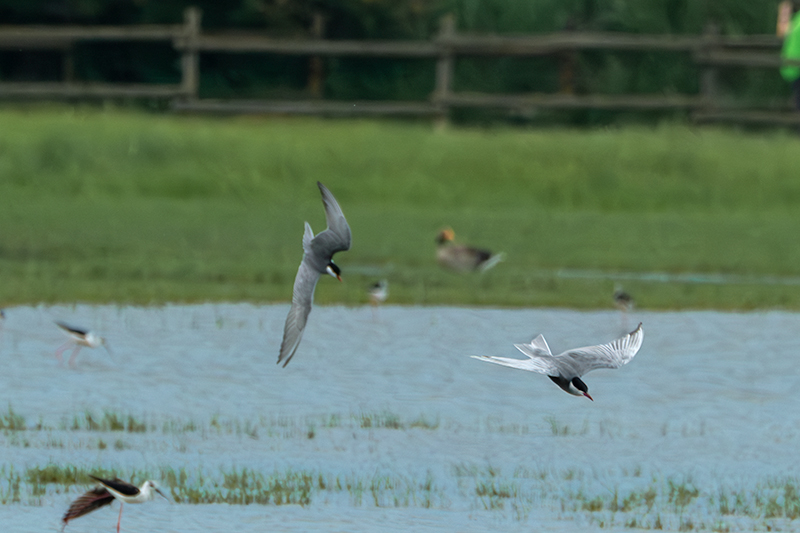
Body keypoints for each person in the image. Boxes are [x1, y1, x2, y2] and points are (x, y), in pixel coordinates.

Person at [779, 1, 800, 110]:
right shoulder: (797, 19)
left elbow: (782, 32)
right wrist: (784, 11)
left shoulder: (797, 19)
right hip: (795, 69)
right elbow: (782, 32)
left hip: (793, 67)